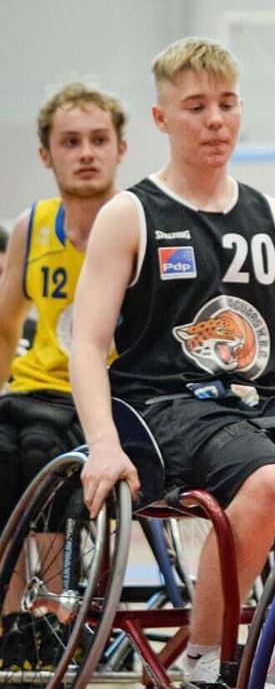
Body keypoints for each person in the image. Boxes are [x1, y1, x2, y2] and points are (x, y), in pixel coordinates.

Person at [71, 37, 275, 688]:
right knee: (268, 480)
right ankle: (205, 656)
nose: (214, 119)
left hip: (261, 405)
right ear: (161, 119)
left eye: (227, 103)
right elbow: (88, 343)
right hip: (166, 405)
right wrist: (101, 444)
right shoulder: (132, 214)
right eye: (196, 105)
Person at [0, 82, 128, 672]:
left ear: (121, 148)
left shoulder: (138, 222)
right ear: (46, 155)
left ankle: (49, 613)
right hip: (34, 387)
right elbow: (6, 326)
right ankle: (11, 615)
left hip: (106, 395)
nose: (85, 152)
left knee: (40, 450)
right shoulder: (32, 227)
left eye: (98, 140)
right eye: (69, 141)